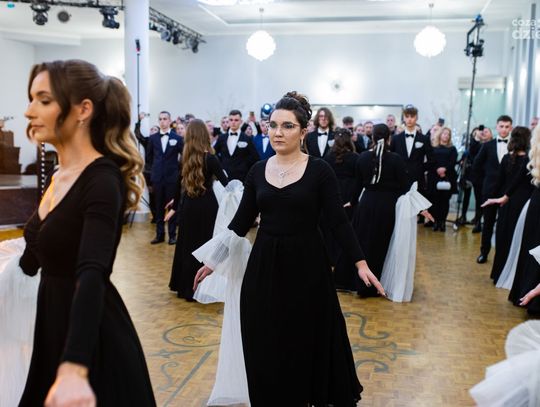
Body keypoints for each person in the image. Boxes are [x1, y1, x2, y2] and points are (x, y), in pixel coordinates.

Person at [193, 92, 384, 406]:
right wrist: (213, 261)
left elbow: (338, 222)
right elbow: (239, 223)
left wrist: (360, 263)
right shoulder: (257, 171)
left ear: (303, 132)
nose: (278, 132)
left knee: (304, 339)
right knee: (265, 339)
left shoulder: (320, 170)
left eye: (287, 126)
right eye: (273, 125)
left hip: (308, 267)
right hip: (264, 267)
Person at [18, 59, 155, 406]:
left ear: (83, 110)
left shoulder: (102, 180)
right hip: (53, 330)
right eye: (31, 99)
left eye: (44, 100)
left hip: (90, 342)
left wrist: (74, 368)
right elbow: (31, 262)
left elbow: (93, 271)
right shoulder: (60, 177)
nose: (29, 111)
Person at [334, 124, 432, 296]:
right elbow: (405, 187)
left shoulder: (362, 157)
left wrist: (353, 202)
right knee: (381, 245)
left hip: (366, 205)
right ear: (389, 139)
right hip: (387, 208)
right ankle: (377, 284)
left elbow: (358, 186)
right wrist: (420, 208)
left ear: (372, 138)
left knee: (361, 243)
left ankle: (355, 283)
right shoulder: (396, 159)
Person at [166, 119, 228, 301]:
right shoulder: (211, 158)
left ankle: (185, 288)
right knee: (204, 247)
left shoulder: (184, 158)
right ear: (204, 136)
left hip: (189, 206)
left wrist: (174, 207)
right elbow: (227, 183)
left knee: (187, 246)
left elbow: (178, 185)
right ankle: (201, 289)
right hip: (208, 207)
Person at [482, 126, 533, 284]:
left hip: (506, 203)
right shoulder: (530, 162)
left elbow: (499, 183)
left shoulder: (506, 158)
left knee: (503, 238)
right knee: (517, 240)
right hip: (523, 204)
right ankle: (513, 276)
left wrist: (493, 198)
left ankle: (498, 274)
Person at [472, 115, 513, 264]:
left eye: (507, 127)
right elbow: (476, 165)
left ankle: (502, 255)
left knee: (504, 225)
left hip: (507, 192)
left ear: (511, 128)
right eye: (501, 126)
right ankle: (484, 252)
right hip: (489, 191)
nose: (504, 129)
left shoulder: (515, 146)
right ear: (497, 127)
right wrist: (484, 182)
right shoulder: (487, 145)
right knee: (487, 223)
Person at [322, 128, 361, 265]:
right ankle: (346, 258)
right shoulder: (355, 157)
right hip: (349, 194)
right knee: (348, 227)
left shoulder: (327, 157)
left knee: (331, 227)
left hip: (332, 193)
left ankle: (331, 257)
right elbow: (359, 180)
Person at [390, 105, 434, 225]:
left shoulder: (424, 139)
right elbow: (390, 158)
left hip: (417, 180)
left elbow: (432, 160)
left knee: (414, 214)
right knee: (399, 212)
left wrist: (420, 169)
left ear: (416, 118)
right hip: (398, 180)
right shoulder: (395, 139)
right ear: (404, 118)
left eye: (412, 116)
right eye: (407, 116)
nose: (409, 119)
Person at [147, 111, 184, 245]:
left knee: (172, 207)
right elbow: (149, 158)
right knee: (158, 207)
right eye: (160, 119)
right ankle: (159, 234)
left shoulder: (177, 138)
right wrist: (154, 172)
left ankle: (172, 235)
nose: (162, 121)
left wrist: (178, 172)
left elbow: (184, 156)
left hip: (172, 178)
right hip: (157, 178)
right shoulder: (153, 138)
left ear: (169, 121)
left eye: (165, 119)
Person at [213, 109, 259, 183]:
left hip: (242, 178)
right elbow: (213, 153)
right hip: (224, 178)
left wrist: (245, 166)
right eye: (231, 120)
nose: (233, 122)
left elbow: (255, 157)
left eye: (236, 120)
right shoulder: (221, 138)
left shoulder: (247, 139)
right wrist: (221, 165)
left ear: (241, 121)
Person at [427, 127, 457, 232]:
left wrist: (445, 169)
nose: (446, 136)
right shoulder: (433, 147)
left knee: (444, 201)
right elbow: (430, 160)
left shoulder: (452, 149)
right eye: (444, 133)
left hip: (447, 176)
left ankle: (442, 222)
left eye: (448, 134)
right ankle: (435, 222)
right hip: (434, 176)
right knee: (435, 200)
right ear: (440, 134)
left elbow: (453, 161)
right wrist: (437, 169)